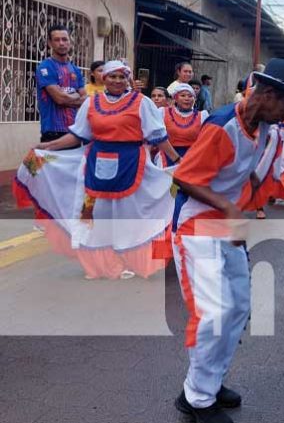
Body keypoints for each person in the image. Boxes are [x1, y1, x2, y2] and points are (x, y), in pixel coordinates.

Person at [171, 58, 284, 423]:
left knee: (237, 308)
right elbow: (184, 178)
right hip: (196, 226)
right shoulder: (222, 125)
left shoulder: (265, 128)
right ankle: (198, 399)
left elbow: (255, 173)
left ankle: (208, 383)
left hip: (226, 228)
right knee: (213, 313)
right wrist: (228, 207)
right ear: (267, 94)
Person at [14, 60, 179, 279]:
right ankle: (98, 264)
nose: (117, 81)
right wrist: (48, 146)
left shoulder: (142, 102)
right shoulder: (91, 103)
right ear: (103, 78)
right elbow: (78, 135)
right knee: (92, 214)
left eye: (122, 77)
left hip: (131, 165)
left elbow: (158, 136)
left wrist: (178, 160)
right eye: (112, 76)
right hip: (94, 165)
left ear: (127, 79)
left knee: (127, 215)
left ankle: (128, 261)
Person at [35, 24, 86, 142]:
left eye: (64, 39)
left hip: (74, 132)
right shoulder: (46, 67)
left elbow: (85, 100)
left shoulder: (75, 70)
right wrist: (76, 95)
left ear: (70, 42)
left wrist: (69, 98)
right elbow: (60, 99)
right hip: (53, 132)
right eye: (57, 40)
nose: (61, 43)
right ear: (50, 43)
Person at [160, 83, 209, 166]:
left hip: (193, 158)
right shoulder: (163, 112)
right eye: (183, 96)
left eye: (190, 96)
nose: (187, 98)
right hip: (167, 156)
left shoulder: (202, 115)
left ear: (194, 99)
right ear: (175, 98)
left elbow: (206, 140)